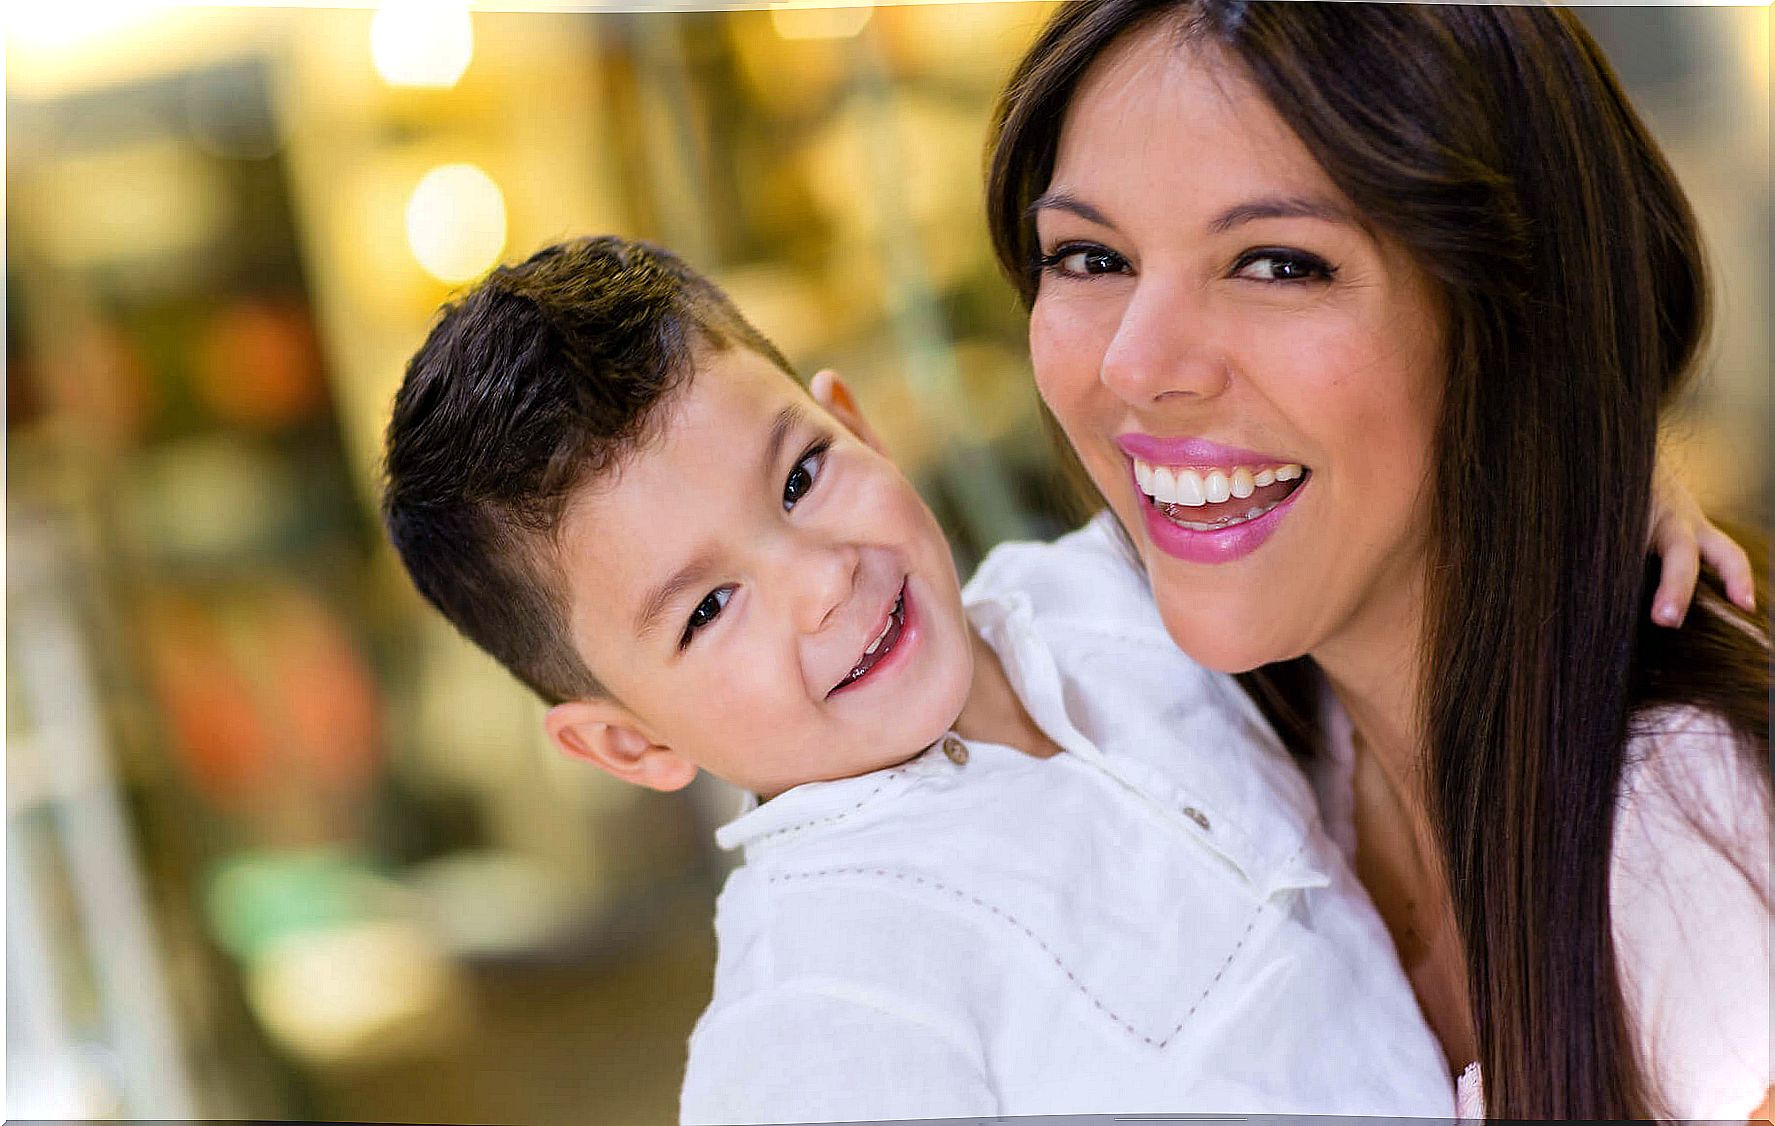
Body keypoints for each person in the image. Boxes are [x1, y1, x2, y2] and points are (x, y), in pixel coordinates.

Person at [379, 235, 1460, 1121]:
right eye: (708, 609)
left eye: (801, 475)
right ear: (629, 743)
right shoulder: (813, 1009)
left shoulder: (1114, 586)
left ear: (857, 422)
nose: (819, 582)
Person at [983, 2, 1771, 1119]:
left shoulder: (1694, 841)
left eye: (1276, 263)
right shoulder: (1204, 716)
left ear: (1508, 315)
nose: (1134, 363)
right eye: (1089, 255)